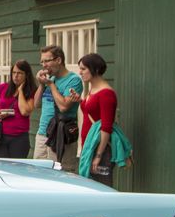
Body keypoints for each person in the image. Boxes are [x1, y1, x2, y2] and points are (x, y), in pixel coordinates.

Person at [74, 53, 123, 186]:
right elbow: (93, 114)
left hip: (99, 148)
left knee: (101, 188)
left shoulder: (106, 94)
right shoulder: (93, 89)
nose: (80, 72)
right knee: (89, 187)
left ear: (94, 69)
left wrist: (98, 156)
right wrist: (81, 101)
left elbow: (106, 127)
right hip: (89, 146)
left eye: (83, 69)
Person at [33, 44, 84, 170]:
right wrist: (41, 84)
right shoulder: (49, 79)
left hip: (61, 135)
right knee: (38, 175)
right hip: (43, 134)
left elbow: (63, 107)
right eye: (42, 62)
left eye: (47, 61)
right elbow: (36, 104)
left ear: (59, 60)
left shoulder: (73, 80)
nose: (44, 65)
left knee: (61, 175)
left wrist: (50, 84)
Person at [0, 60, 36, 158]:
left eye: (19, 73)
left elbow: (25, 111)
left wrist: (21, 91)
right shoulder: (1, 88)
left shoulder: (31, 91)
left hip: (19, 138)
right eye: (14, 73)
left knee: (17, 168)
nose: (16, 76)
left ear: (26, 75)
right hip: (0, 136)